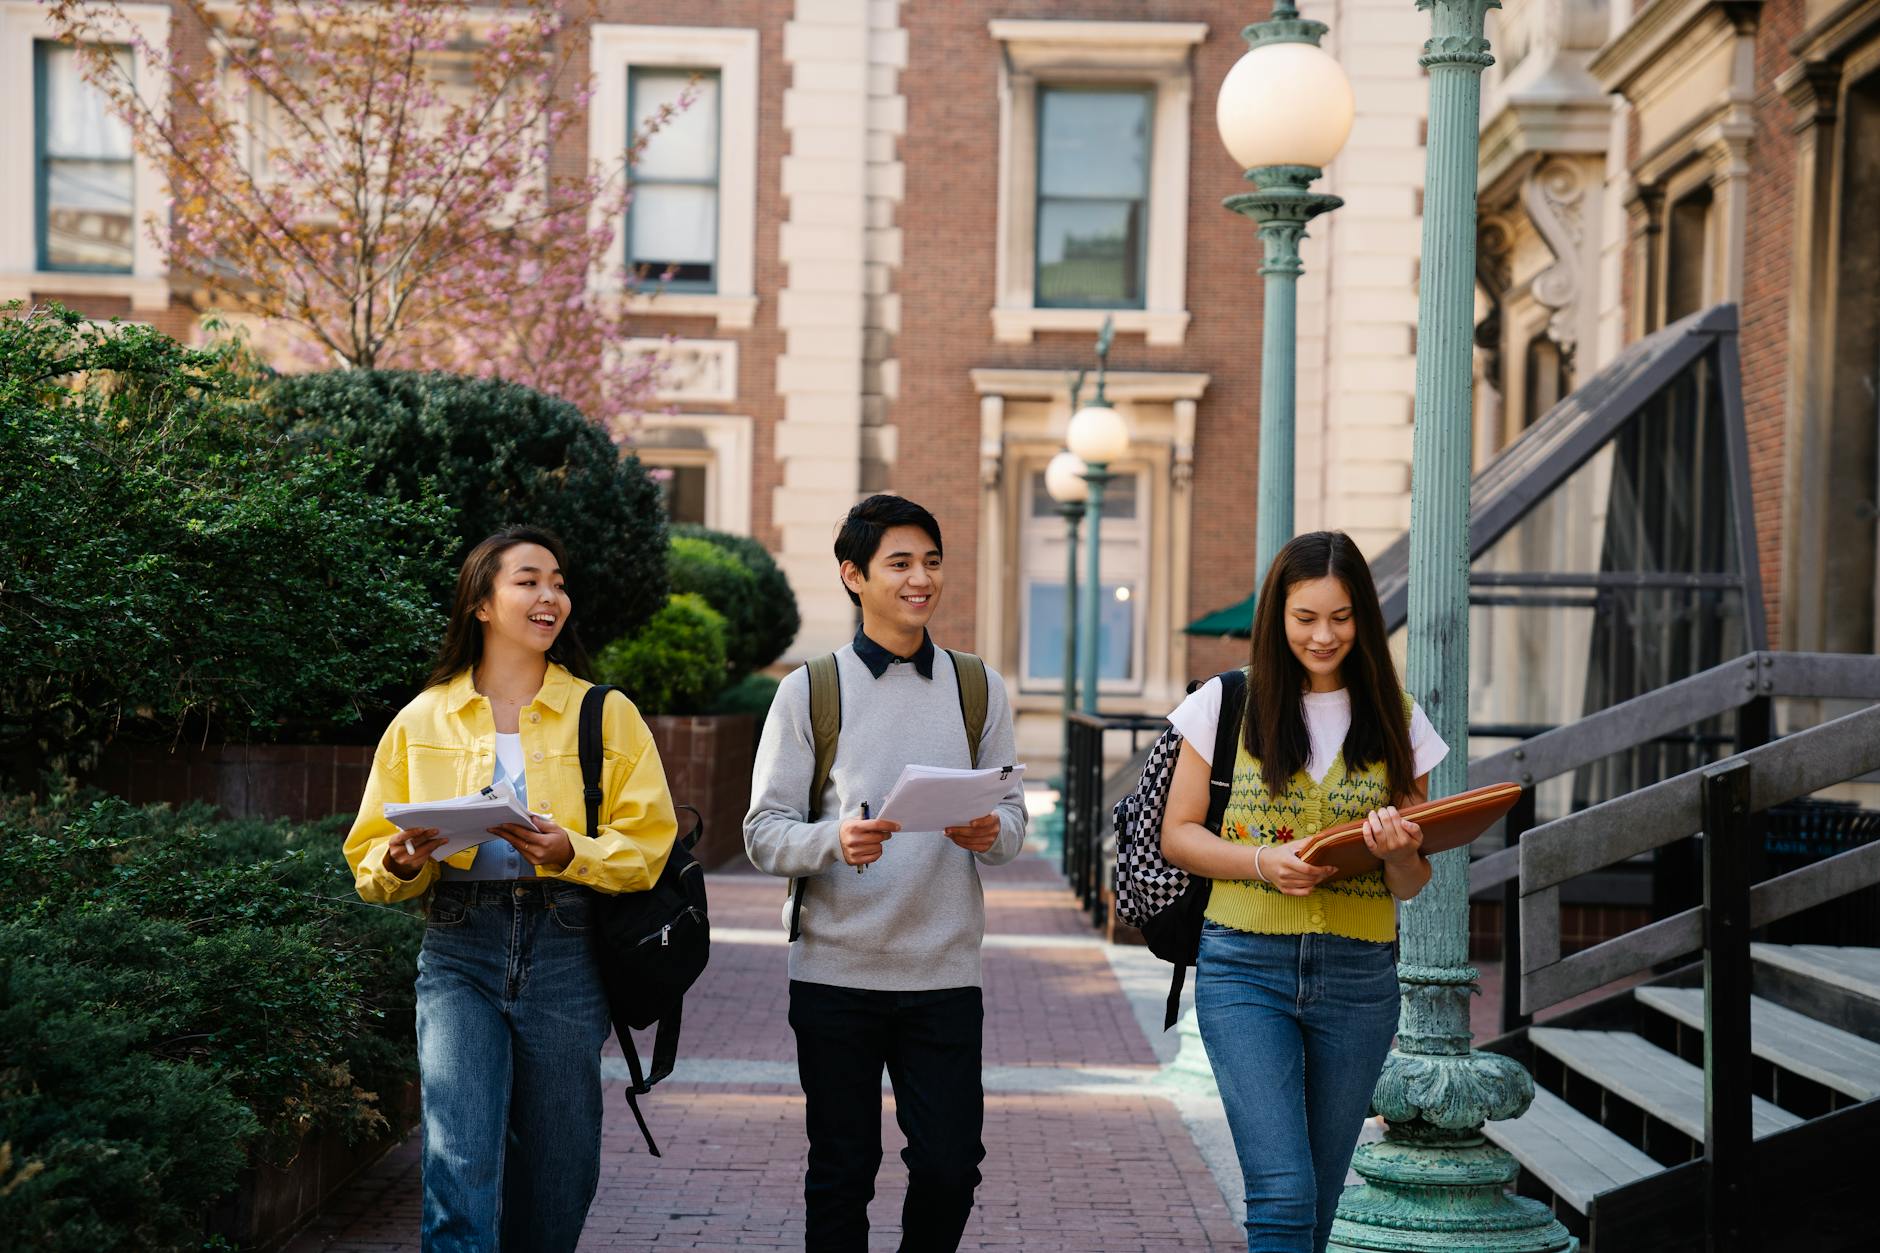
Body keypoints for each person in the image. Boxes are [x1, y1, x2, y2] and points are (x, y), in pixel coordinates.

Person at [343, 527, 678, 1253]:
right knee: (458, 1163)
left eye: (557, 581)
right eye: (528, 580)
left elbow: (649, 844)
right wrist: (402, 862)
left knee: (560, 1171)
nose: (549, 595)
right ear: (482, 603)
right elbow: (370, 852)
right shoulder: (422, 717)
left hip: (566, 949)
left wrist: (571, 850)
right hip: (459, 945)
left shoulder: (604, 712)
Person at [743, 494, 1028, 1252]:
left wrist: (988, 829)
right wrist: (834, 840)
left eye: (931, 562)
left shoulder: (978, 687)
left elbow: (1014, 826)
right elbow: (763, 833)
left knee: (949, 1167)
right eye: (899, 563)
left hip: (943, 972)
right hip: (836, 971)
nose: (920, 579)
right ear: (853, 575)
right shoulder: (810, 689)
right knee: (842, 1168)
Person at [1159, 531, 1446, 1253]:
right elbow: (1179, 834)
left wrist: (1401, 851)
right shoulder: (1224, 703)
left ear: (1365, 619)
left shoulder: (1398, 719)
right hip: (1244, 968)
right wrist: (1263, 862)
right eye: (1305, 617)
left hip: (1359, 979)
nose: (1324, 635)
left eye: (1341, 617)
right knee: (1283, 1193)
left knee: (1316, 1205)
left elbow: (1412, 883)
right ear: (1277, 617)